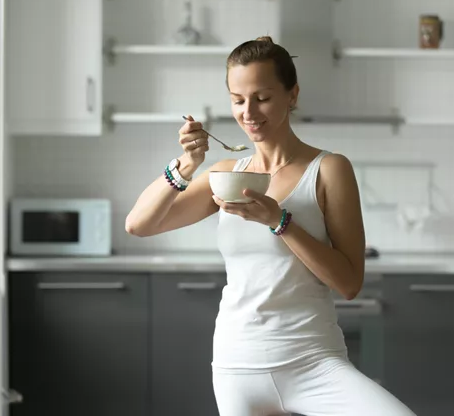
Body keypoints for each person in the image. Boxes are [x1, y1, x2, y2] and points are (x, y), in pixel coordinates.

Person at [125, 36, 415, 416]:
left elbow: (348, 283)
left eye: (262, 97)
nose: (248, 112)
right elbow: (139, 224)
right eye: (238, 99)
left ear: (292, 95)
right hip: (237, 365)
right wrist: (186, 164)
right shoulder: (226, 175)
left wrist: (279, 221)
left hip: (314, 361)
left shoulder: (328, 170)